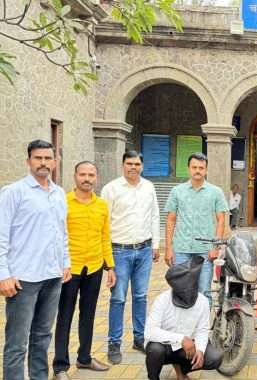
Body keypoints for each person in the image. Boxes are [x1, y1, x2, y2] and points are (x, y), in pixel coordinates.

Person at [0, 139, 71, 380]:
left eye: (47, 158)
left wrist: (65, 262)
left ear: (55, 161)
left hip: (52, 276)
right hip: (23, 279)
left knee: (42, 338)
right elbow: (1, 235)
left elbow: (62, 232)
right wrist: (3, 274)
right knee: (17, 343)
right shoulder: (13, 193)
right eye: (38, 158)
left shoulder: (59, 193)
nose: (43, 163)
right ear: (28, 161)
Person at [53, 161, 117, 380]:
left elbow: (105, 236)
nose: (87, 178)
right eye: (83, 174)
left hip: (95, 266)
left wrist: (110, 266)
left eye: (91, 175)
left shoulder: (101, 205)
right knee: (65, 315)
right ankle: (60, 366)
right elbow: (57, 235)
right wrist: (60, 264)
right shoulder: (63, 202)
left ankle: (85, 357)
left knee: (88, 314)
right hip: (69, 268)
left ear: (96, 178)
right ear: (75, 176)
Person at [101, 150, 161, 364]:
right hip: (119, 251)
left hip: (144, 250)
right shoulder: (111, 189)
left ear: (142, 166)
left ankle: (139, 338)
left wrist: (155, 244)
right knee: (118, 298)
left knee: (141, 296)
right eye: (129, 163)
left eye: (137, 164)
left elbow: (155, 215)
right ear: (123, 165)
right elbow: (103, 222)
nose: (133, 167)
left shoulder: (149, 187)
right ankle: (114, 342)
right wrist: (106, 258)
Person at [164, 152, 228, 306]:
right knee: (180, 290)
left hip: (205, 251)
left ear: (206, 170)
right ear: (188, 169)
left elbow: (221, 220)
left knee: (203, 291)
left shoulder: (216, 192)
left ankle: (202, 328)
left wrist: (215, 246)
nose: (197, 170)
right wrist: (168, 248)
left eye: (201, 167)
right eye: (194, 167)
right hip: (181, 249)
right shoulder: (177, 191)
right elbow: (171, 219)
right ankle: (182, 327)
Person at [144, 256, 223, 380]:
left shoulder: (202, 301)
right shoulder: (162, 300)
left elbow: (202, 329)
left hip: (187, 349)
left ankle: (183, 370)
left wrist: (200, 350)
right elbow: (149, 332)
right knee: (155, 349)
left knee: (214, 357)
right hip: (165, 348)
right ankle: (153, 378)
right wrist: (181, 339)